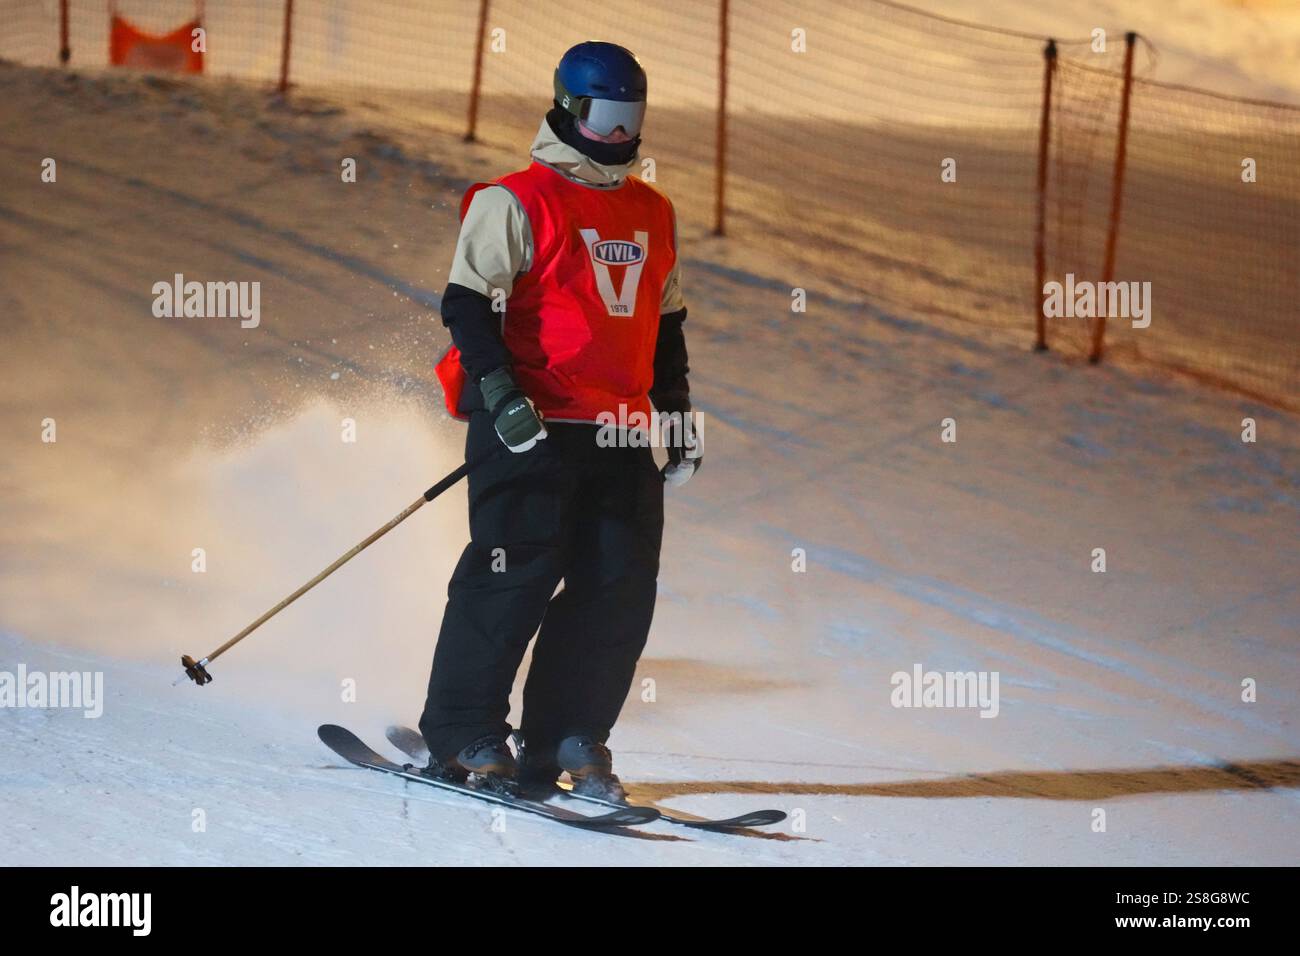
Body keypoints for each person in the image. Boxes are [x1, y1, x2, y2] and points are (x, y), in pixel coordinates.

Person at [419, 41, 701, 799]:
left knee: (618, 583)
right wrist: (502, 394)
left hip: (619, 430)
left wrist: (674, 410)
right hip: (532, 421)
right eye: (605, 117)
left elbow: (665, 322)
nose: (618, 135)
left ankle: (567, 736)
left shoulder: (653, 210)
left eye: (630, 118)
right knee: (514, 574)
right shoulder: (513, 200)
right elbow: (466, 304)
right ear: (571, 108)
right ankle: (462, 729)